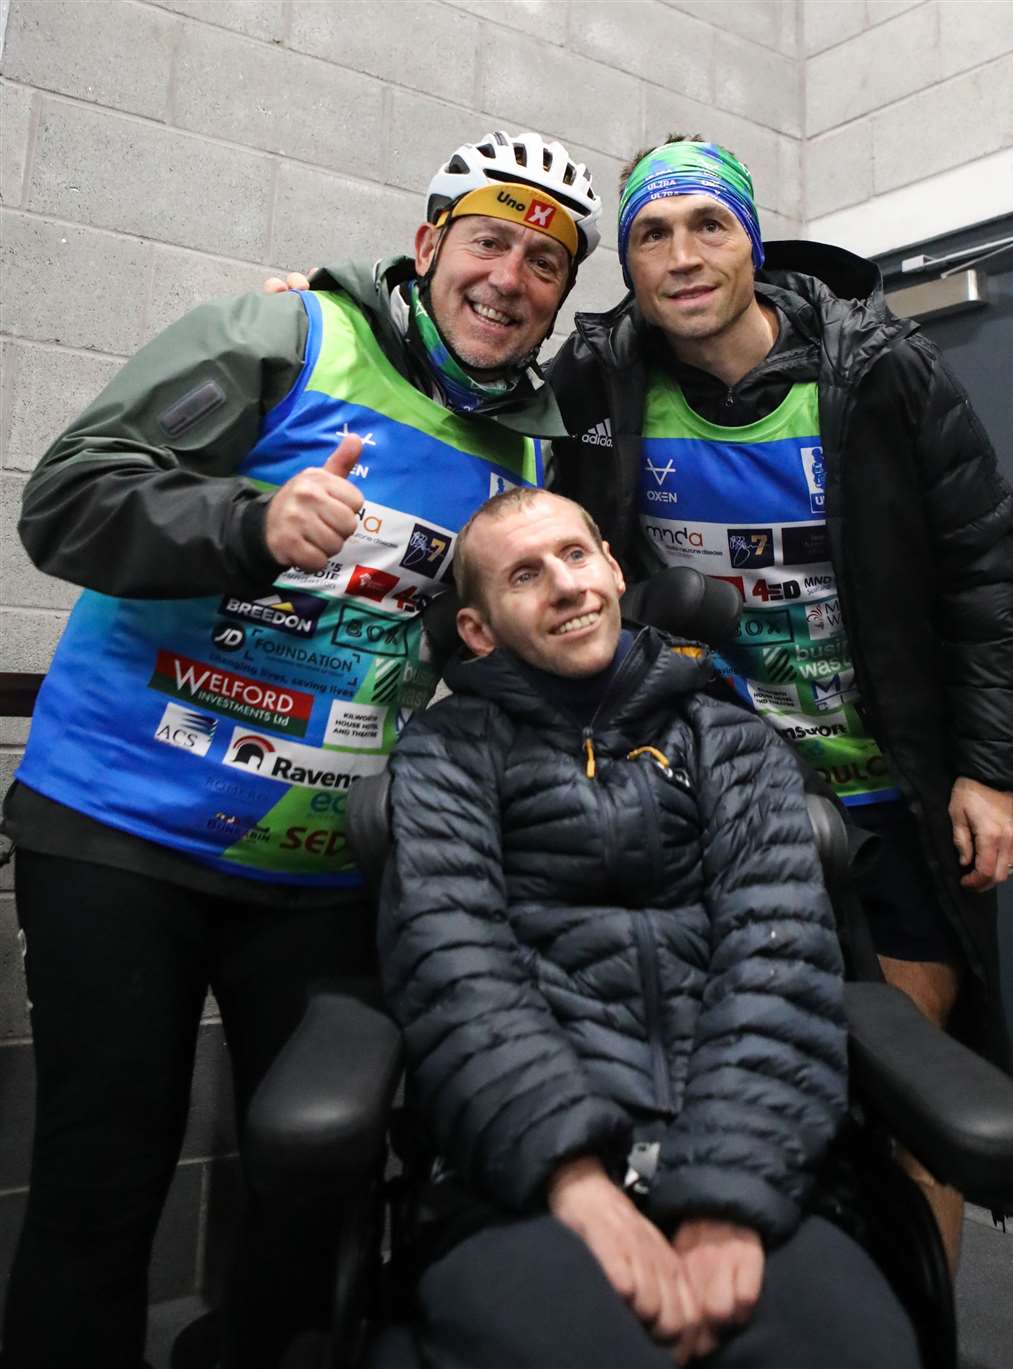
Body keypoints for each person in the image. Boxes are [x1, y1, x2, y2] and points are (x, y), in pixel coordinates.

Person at [2, 130, 600, 1369]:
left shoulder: (531, 454)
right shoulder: (284, 337)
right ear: (429, 245)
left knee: (310, 1181)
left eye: (547, 261)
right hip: (120, 834)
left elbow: (473, 652)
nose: (511, 276)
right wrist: (248, 516)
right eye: (489, 239)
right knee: (101, 1180)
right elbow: (66, 499)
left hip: (321, 868)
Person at [542, 136, 1013, 1274]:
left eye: (708, 225)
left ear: (752, 242)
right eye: (651, 234)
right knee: (736, 1098)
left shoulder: (883, 371)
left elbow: (985, 571)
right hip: (713, 804)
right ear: (628, 261)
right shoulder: (598, 380)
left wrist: (991, 767)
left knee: (912, 1093)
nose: (682, 255)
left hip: (895, 800)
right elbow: (470, 389)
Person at [377, 485, 920, 1369]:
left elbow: (775, 958)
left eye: (576, 555)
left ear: (614, 570)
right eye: (523, 574)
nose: (564, 585)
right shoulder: (445, 754)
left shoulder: (733, 739)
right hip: (528, 1167)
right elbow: (453, 968)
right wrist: (576, 1181)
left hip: (748, 1145)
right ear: (476, 629)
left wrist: (727, 1195)